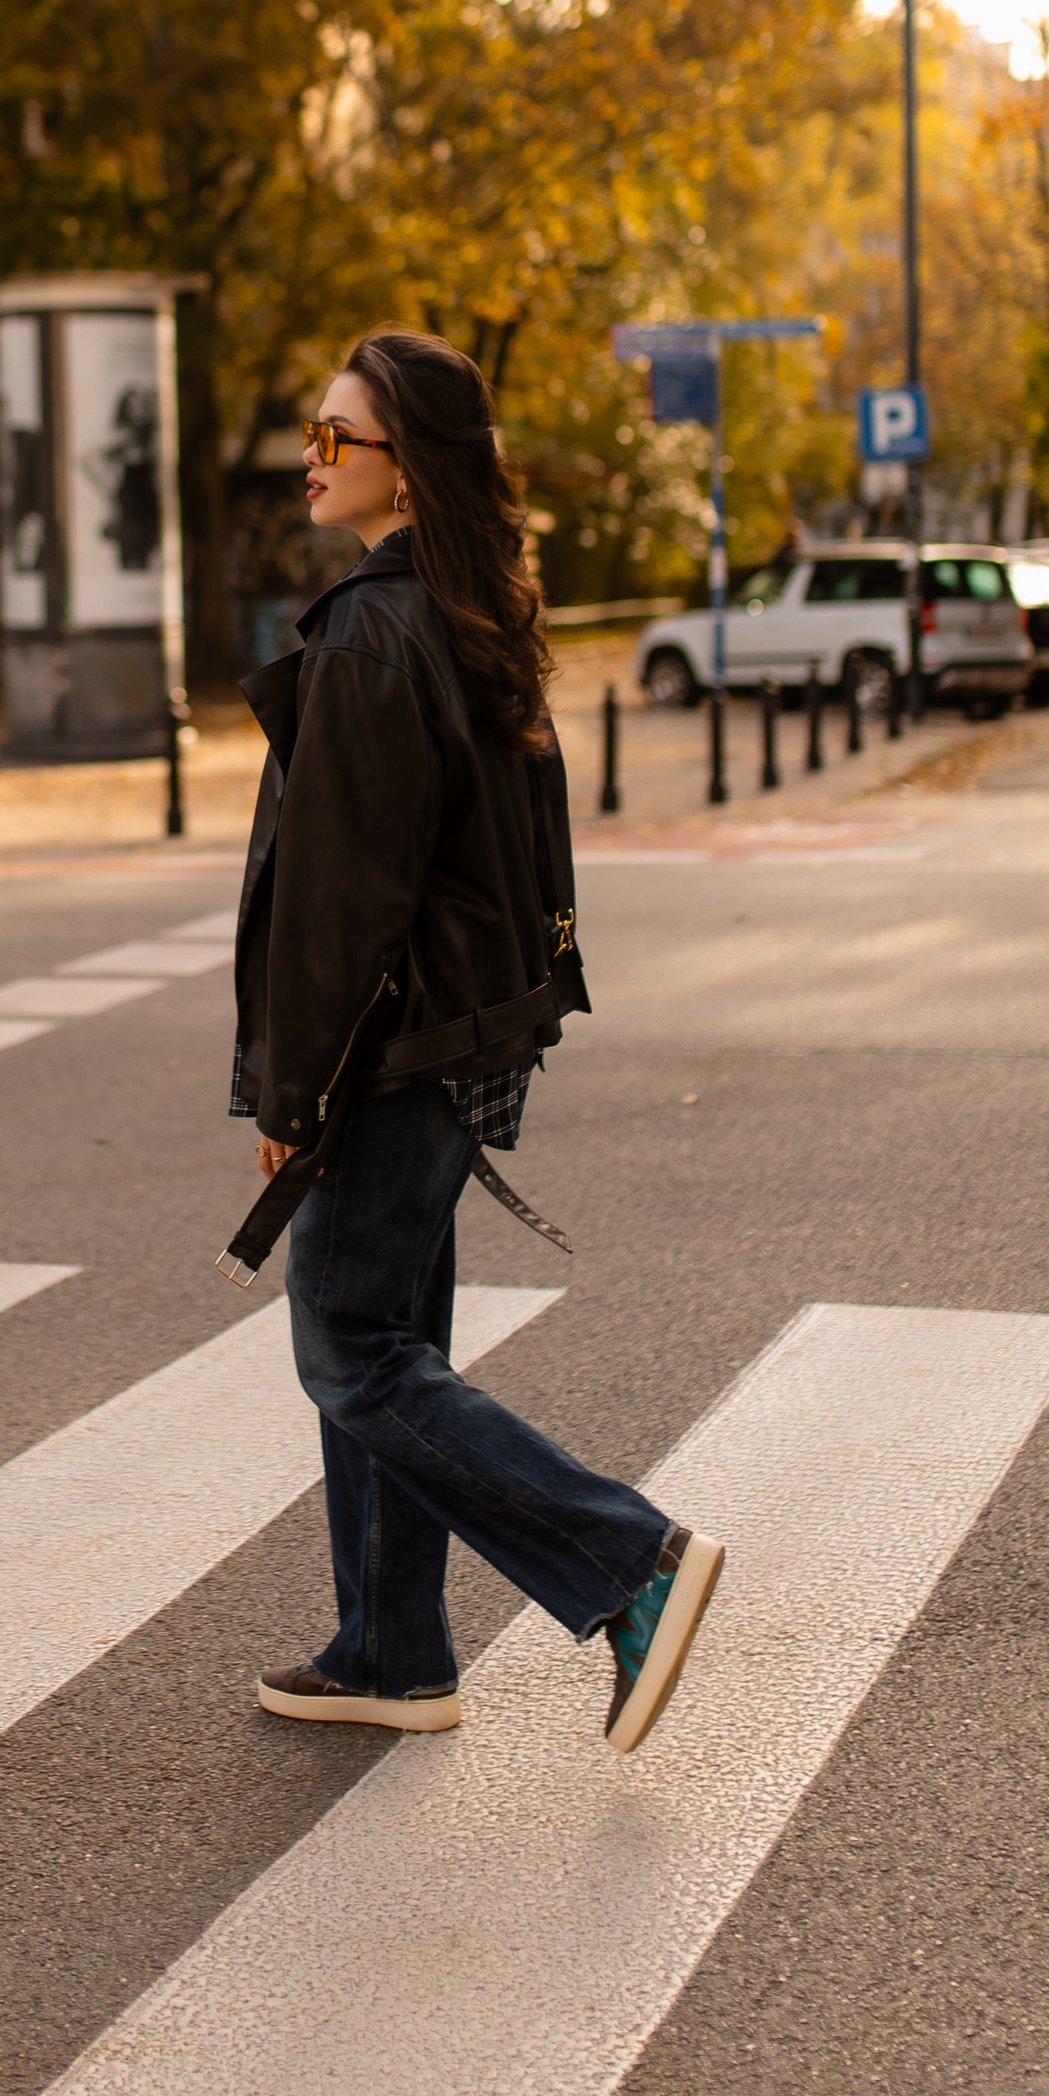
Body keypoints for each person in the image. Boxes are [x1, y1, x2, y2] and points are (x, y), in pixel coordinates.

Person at [231, 326, 723, 1752]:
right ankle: (392, 1648)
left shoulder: (378, 635)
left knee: (351, 1349)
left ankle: (629, 1565)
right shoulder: (464, 611)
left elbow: (341, 903)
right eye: (312, 436)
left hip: (386, 1051)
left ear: (409, 468)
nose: (312, 462)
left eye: (339, 439)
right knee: (395, 1333)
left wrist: (292, 1086)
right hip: (460, 1038)